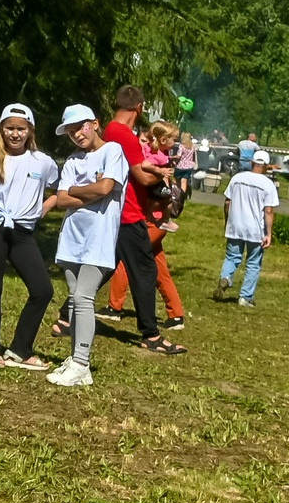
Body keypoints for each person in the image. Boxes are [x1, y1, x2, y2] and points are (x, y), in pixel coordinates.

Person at [0, 104, 59, 369]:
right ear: (1, 130)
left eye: (21, 128)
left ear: (30, 131)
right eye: (10, 128)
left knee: (42, 290)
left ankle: (19, 350)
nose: (15, 134)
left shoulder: (43, 162)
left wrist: (44, 208)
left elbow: (59, 189)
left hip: (22, 233)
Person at [43, 104, 130, 387]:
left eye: (80, 127)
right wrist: (87, 190)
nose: (77, 135)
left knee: (84, 298)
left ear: (95, 123)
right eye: (70, 131)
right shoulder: (72, 161)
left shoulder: (112, 151)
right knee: (73, 299)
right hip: (71, 238)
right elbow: (62, 199)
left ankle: (81, 362)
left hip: (99, 239)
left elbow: (106, 188)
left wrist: (77, 190)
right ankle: (75, 361)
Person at [102, 87, 187, 357]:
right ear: (139, 107)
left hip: (124, 211)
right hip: (130, 214)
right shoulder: (124, 135)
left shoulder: (110, 130)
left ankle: (67, 316)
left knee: (105, 266)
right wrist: (163, 177)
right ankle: (150, 334)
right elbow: (142, 177)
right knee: (145, 272)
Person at [217, 148, 280, 306]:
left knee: (232, 257)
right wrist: (269, 233)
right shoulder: (268, 184)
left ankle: (226, 277)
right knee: (253, 263)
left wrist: (227, 221)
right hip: (255, 229)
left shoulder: (237, 178)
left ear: (252, 163)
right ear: (266, 166)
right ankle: (245, 297)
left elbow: (227, 202)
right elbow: (269, 210)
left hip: (236, 225)